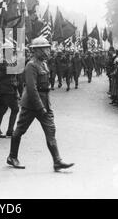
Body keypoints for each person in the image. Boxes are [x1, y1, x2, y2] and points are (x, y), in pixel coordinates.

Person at [7, 36, 74, 171]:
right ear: (37, 50)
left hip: (44, 103)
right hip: (31, 105)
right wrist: (40, 107)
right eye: (45, 49)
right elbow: (32, 89)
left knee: (51, 131)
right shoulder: (31, 65)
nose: (48, 51)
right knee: (20, 130)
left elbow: (46, 88)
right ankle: (12, 157)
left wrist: (47, 106)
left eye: (47, 48)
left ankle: (57, 161)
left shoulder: (43, 64)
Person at [0, 40, 20, 138]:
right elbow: (8, 73)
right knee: (15, 109)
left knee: (3, 109)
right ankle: (9, 130)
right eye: (9, 50)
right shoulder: (2, 62)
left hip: (9, 88)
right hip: (6, 88)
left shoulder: (7, 61)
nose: (11, 52)